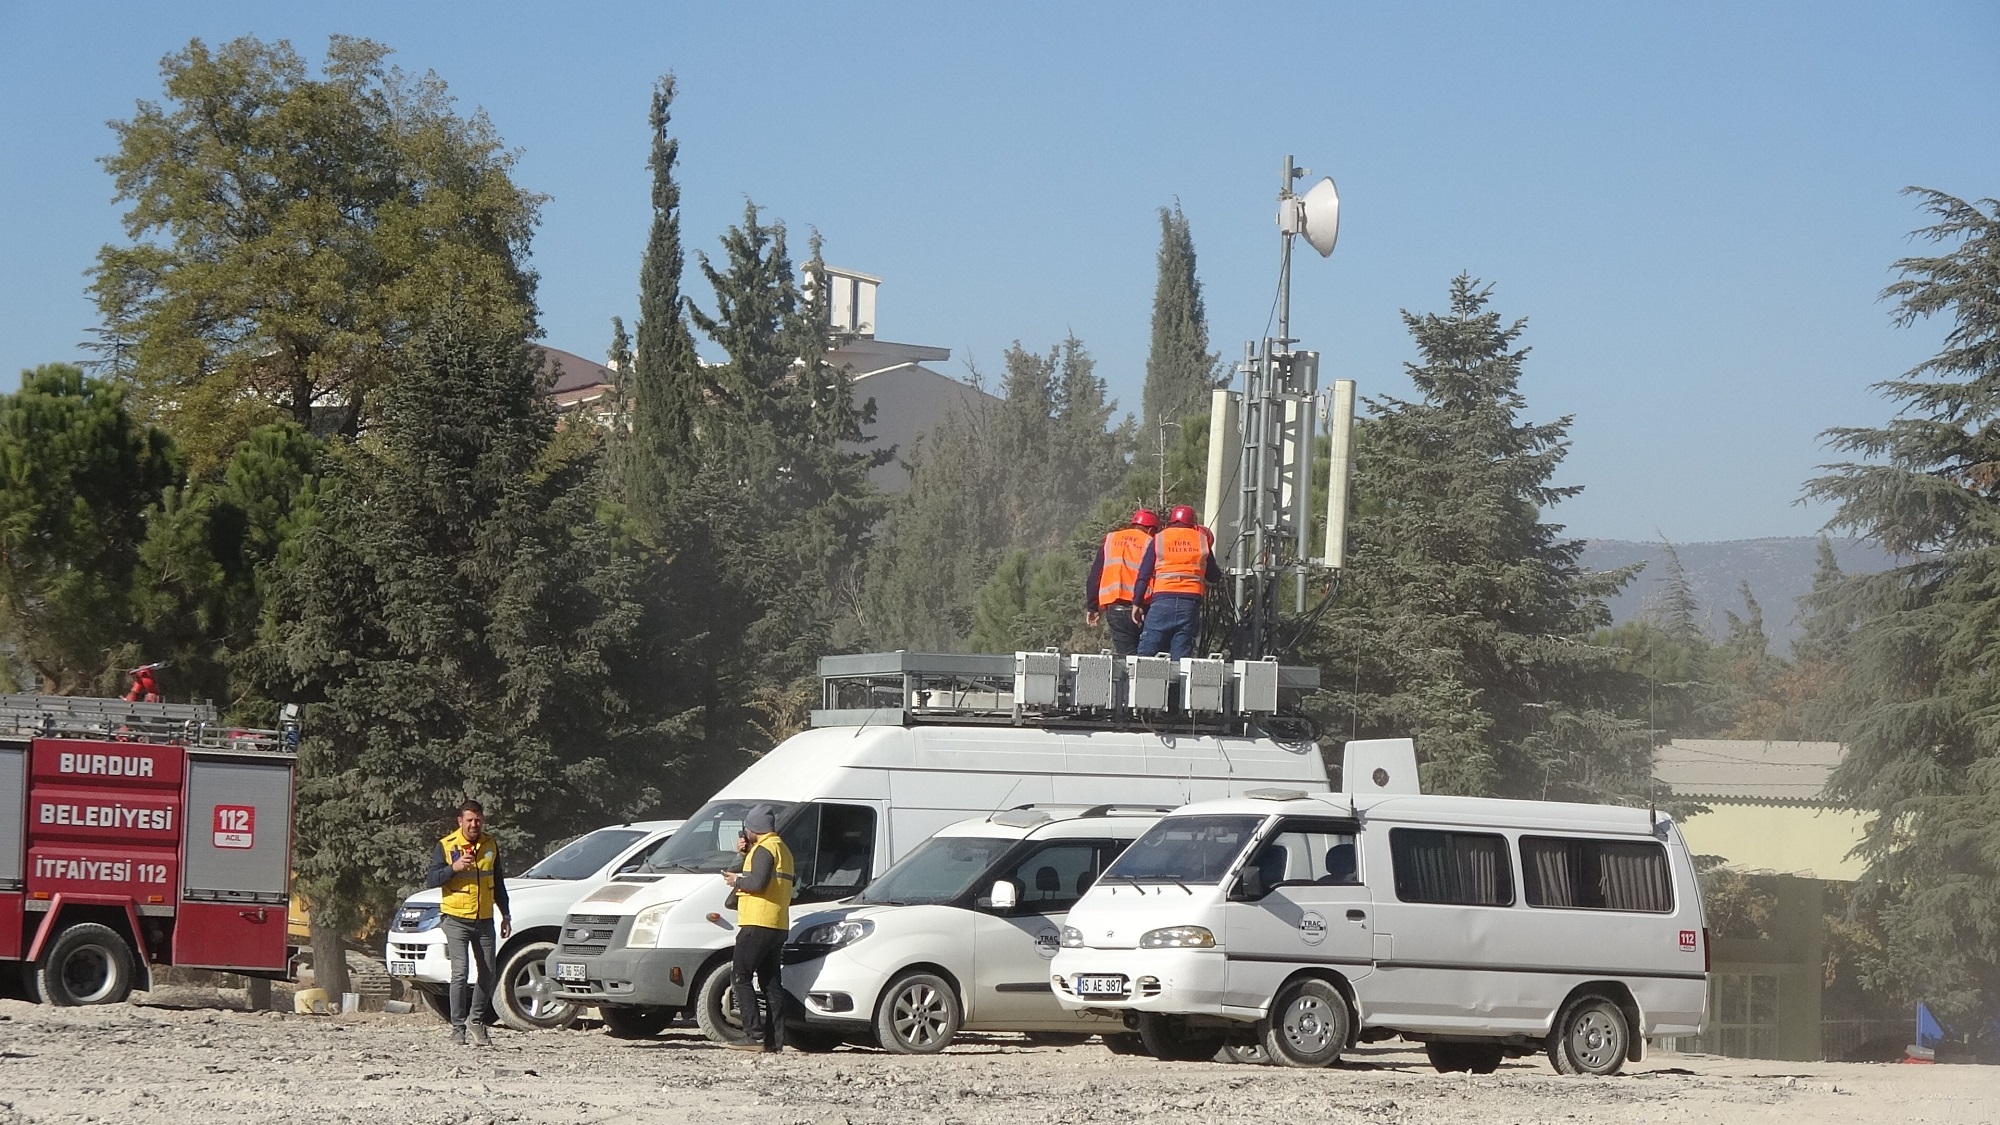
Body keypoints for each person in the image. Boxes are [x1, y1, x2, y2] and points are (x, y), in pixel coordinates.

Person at [425, 799, 512, 1046]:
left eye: (478, 820)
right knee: (460, 973)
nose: (474, 824)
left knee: (488, 973)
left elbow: (498, 882)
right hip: (456, 919)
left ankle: (477, 1021)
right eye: (469, 820)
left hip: (484, 919)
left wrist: (505, 914)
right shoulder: (446, 845)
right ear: (460, 821)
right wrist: (453, 867)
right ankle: (457, 1027)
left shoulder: (490, 844)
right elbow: (431, 879)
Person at [721, 804, 795, 1052]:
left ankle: (753, 1035)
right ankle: (775, 1041)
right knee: (770, 983)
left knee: (740, 976)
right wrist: (744, 856)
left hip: (757, 922)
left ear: (753, 829)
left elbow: (758, 882)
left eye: (746, 829)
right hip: (777, 924)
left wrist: (736, 879)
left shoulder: (763, 850)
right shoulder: (781, 848)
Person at [1132, 504, 1222, 660]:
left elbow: (1144, 574)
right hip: (1189, 605)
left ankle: (1142, 683)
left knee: (1146, 653)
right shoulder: (1201, 540)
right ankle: (1177, 685)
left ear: (1171, 521)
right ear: (1193, 523)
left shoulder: (1159, 538)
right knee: (1181, 658)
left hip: (1162, 602)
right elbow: (1214, 576)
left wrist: (1137, 603)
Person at [1084, 508, 1161, 656]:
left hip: (1115, 611)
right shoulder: (1150, 542)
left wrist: (1092, 607)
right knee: (1148, 660)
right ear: (1151, 529)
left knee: (1126, 660)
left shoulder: (1111, 539)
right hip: (1141, 608)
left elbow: (1094, 576)